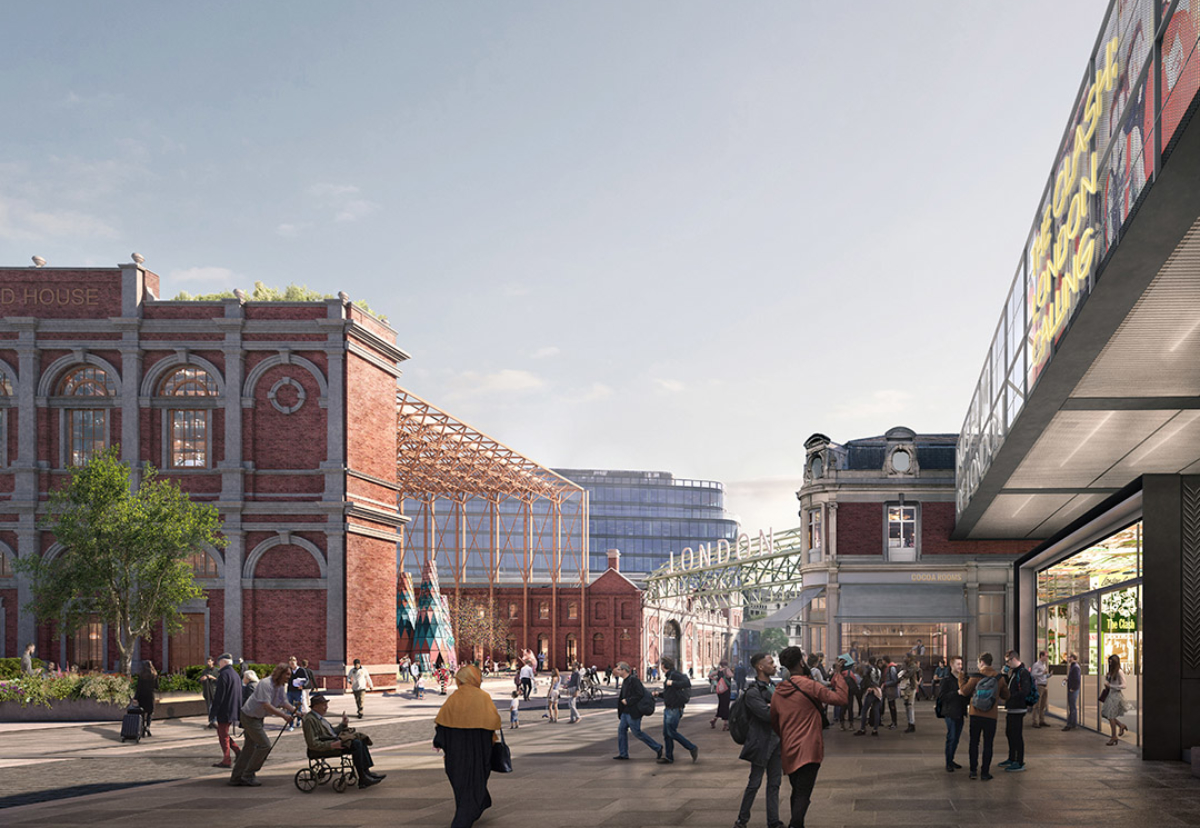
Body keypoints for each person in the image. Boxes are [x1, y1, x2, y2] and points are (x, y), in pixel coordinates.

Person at [771, 647, 848, 828]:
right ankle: (795, 825)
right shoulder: (811, 686)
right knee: (803, 793)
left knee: (797, 790)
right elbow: (841, 698)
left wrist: (786, 735)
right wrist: (838, 674)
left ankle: (797, 824)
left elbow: (774, 722)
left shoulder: (779, 691)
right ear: (801, 662)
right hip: (809, 748)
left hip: (789, 748)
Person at [433, 665, 503, 828]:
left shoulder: (453, 698)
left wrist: (438, 742)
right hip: (479, 754)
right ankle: (465, 816)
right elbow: (493, 723)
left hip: (455, 757)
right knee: (476, 782)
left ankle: (471, 809)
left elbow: (442, 726)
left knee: (461, 787)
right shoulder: (483, 697)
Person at [229, 663, 298, 787]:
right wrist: (284, 716)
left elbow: (283, 702)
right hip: (249, 717)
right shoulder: (265, 684)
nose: (289, 677)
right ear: (280, 673)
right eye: (287, 674)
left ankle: (236, 777)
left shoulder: (281, 686)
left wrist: (296, 712)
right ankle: (248, 774)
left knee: (249, 748)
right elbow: (266, 705)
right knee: (264, 745)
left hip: (258, 718)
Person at [734, 653, 782, 828]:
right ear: (760, 667)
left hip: (777, 742)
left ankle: (773, 821)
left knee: (775, 784)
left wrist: (775, 708)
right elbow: (767, 715)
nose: (774, 665)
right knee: (754, 783)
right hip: (761, 743)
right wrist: (778, 708)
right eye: (770, 663)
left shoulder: (773, 687)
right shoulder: (753, 692)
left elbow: (774, 711)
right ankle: (741, 821)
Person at [303, 693, 385, 789]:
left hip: (333, 741)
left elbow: (331, 732)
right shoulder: (310, 720)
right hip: (327, 746)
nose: (326, 707)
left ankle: (366, 772)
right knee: (356, 744)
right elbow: (313, 744)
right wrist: (332, 745)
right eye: (324, 705)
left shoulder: (318, 717)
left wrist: (343, 724)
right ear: (316, 706)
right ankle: (362, 777)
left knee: (360, 740)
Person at [959, 652, 1010, 780]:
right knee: (988, 744)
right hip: (991, 716)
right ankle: (985, 772)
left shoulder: (976, 677)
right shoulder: (999, 678)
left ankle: (973, 771)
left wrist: (960, 678)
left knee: (974, 742)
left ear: (981, 662)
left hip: (975, 714)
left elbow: (964, 691)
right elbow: (1006, 696)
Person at [613, 661, 661, 760]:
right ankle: (623, 754)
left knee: (637, 732)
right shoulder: (626, 681)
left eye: (618, 669)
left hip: (633, 711)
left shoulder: (633, 680)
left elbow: (639, 694)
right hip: (625, 713)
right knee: (621, 730)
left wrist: (628, 701)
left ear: (624, 670)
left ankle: (657, 747)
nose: (617, 671)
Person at [657, 656, 698, 764]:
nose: (660, 666)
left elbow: (687, 683)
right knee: (666, 734)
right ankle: (669, 757)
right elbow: (670, 694)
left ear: (664, 665)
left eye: (661, 664)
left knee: (671, 732)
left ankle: (692, 747)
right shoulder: (669, 675)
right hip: (669, 708)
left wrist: (673, 683)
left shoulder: (675, 674)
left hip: (675, 709)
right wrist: (659, 694)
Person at [999, 650, 1032, 772]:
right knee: (1010, 733)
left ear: (1013, 659)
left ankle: (1019, 761)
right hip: (1012, 708)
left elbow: (1025, 691)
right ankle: (1012, 758)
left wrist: (1010, 697)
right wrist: (1004, 675)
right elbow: (1009, 687)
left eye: (1007, 661)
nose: (1006, 664)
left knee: (1016, 735)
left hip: (1018, 708)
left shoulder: (1023, 673)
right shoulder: (1015, 672)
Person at [212, 654, 243, 768]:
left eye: (219, 662)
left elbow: (219, 696)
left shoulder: (224, 675)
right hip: (233, 709)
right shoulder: (235, 674)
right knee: (222, 733)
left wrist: (213, 712)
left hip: (224, 710)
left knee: (223, 735)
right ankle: (237, 751)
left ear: (223, 662)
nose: (218, 665)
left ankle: (227, 760)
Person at [938, 655, 967, 772]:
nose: (960, 666)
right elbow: (942, 697)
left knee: (956, 738)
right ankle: (948, 762)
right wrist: (957, 692)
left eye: (961, 664)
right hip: (950, 712)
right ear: (951, 665)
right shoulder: (946, 680)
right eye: (957, 664)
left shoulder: (963, 679)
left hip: (960, 711)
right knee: (952, 737)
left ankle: (951, 759)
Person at [1102, 653, 1131, 746]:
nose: (1110, 664)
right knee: (1105, 714)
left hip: (1115, 695)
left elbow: (1124, 685)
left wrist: (1111, 686)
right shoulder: (1111, 672)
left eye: (1111, 662)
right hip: (1110, 694)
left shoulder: (1119, 672)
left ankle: (1113, 736)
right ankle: (1121, 725)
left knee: (1110, 715)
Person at [854, 661, 882, 737]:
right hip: (878, 691)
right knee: (876, 710)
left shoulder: (869, 670)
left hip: (870, 691)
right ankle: (875, 730)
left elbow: (865, 681)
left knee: (864, 710)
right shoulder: (878, 670)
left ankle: (863, 729)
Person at [135, 661, 158, 737]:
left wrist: (136, 697)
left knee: (142, 713)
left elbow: (138, 687)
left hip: (142, 696)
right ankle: (148, 727)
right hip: (150, 695)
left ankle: (142, 727)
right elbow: (157, 686)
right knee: (150, 713)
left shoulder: (141, 675)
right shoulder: (154, 675)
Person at [899, 656, 922, 733]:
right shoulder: (907, 665)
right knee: (907, 706)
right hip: (906, 687)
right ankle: (910, 723)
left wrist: (904, 673)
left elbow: (907, 674)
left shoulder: (913, 666)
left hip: (911, 687)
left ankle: (911, 724)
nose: (905, 658)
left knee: (910, 706)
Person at [710, 659, 734, 730]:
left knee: (721, 705)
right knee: (726, 705)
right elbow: (731, 675)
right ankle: (725, 724)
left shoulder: (719, 671)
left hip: (720, 690)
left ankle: (714, 719)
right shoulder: (727, 670)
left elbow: (710, 675)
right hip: (726, 690)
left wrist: (716, 679)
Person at [1030, 651, 1051, 728]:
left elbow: (1043, 675)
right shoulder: (1036, 665)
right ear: (1041, 656)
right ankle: (1034, 721)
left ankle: (1041, 720)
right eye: (1046, 656)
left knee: (1043, 705)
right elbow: (1033, 674)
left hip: (1044, 685)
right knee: (1037, 705)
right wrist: (1042, 673)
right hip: (1039, 686)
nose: (1047, 658)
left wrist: (1048, 675)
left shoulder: (1044, 665)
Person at [286, 656, 307, 730]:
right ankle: (291, 725)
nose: (292, 664)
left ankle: (299, 719)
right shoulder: (288, 670)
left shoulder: (301, 670)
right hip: (290, 691)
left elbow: (306, 680)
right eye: (290, 663)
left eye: (293, 662)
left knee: (298, 707)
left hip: (298, 691)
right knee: (289, 708)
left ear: (296, 662)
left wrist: (303, 685)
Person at [199, 656, 219, 729]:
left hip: (214, 692)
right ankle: (212, 721)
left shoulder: (217, 671)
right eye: (207, 661)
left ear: (213, 662)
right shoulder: (205, 671)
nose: (208, 663)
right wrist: (202, 679)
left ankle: (215, 720)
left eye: (210, 661)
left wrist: (212, 677)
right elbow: (199, 680)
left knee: (215, 707)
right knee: (209, 707)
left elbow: (220, 681)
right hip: (207, 692)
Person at [1063, 652, 1081, 731]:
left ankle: (1071, 724)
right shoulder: (1073, 667)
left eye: (1069, 657)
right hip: (1072, 688)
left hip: (1073, 689)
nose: (1068, 659)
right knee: (1072, 707)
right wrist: (1068, 680)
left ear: (1073, 658)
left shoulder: (1075, 667)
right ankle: (1072, 723)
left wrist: (1073, 688)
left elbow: (1077, 679)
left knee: (1072, 707)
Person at [881, 656, 899, 729]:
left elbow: (894, 680)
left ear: (885, 661)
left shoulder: (891, 668)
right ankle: (893, 722)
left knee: (892, 707)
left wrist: (885, 684)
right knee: (891, 706)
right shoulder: (889, 668)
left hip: (891, 690)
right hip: (889, 690)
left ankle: (894, 723)